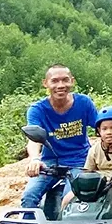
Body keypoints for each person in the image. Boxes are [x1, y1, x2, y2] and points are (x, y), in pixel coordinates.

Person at [21, 65, 98, 212]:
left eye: (65, 80)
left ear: (72, 81)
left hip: (80, 160)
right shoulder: (38, 109)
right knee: (29, 196)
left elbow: (101, 127)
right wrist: (35, 159)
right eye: (55, 81)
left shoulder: (84, 103)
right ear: (46, 83)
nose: (60, 85)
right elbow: (33, 138)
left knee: (72, 199)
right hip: (50, 162)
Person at [65, 106, 112, 207]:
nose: (109, 132)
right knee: (67, 200)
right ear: (99, 130)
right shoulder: (95, 149)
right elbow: (87, 171)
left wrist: (108, 184)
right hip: (96, 185)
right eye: (104, 129)